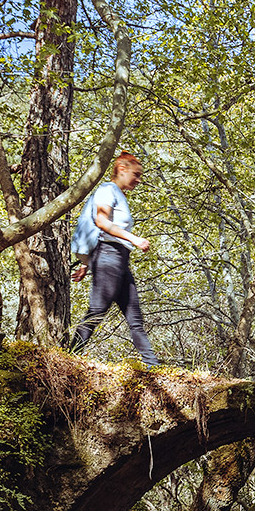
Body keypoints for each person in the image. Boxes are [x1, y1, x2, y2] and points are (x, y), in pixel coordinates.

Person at [70, 153, 159, 364]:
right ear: (121, 168)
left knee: (134, 317)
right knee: (97, 310)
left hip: (119, 260)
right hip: (109, 256)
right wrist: (134, 239)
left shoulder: (119, 195)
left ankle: (152, 365)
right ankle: (69, 355)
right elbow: (101, 221)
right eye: (136, 175)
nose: (138, 180)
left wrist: (86, 265)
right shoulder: (107, 190)